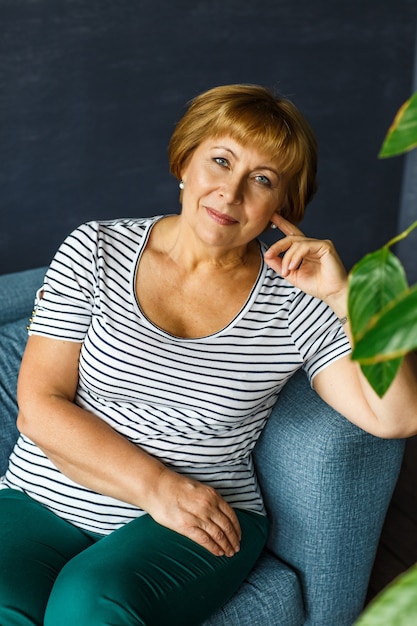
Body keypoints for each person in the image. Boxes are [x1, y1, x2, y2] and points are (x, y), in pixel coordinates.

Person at [1, 83, 416, 626]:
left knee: (91, 600)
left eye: (262, 180)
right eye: (220, 161)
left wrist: (347, 299)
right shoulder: (95, 248)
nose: (231, 192)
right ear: (185, 162)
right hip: (42, 499)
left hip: (201, 520)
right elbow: (40, 404)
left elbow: (398, 415)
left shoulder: (294, 298)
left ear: (281, 207)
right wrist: (157, 488)